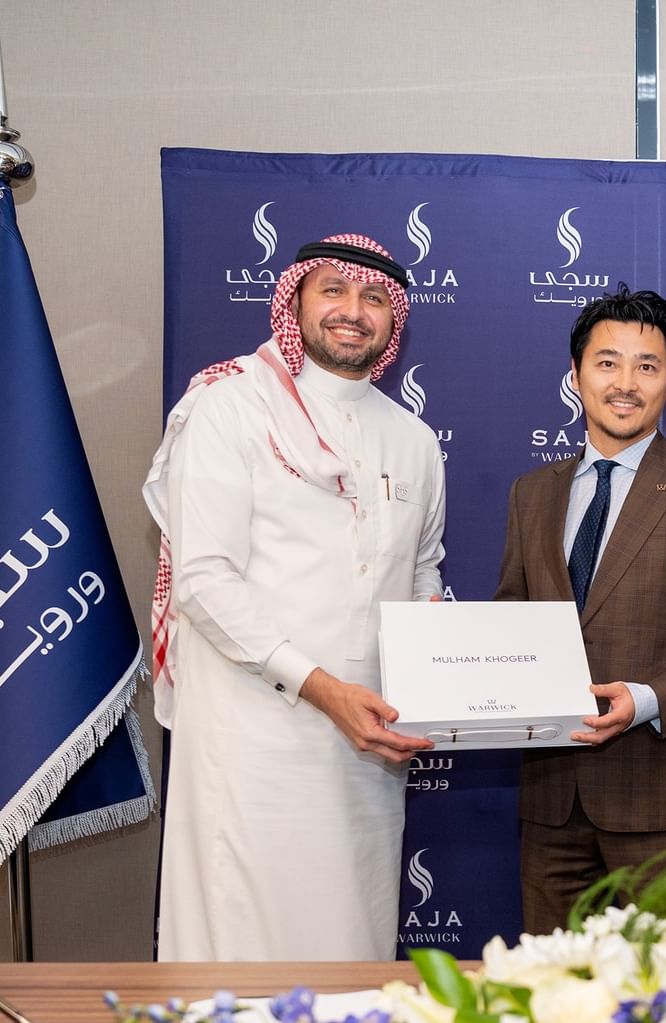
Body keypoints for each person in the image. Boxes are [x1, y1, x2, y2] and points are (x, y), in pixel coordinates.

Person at [144, 234, 446, 961]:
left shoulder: (414, 440)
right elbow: (205, 582)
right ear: (295, 302)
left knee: (351, 940)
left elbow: (422, 571)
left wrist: (442, 670)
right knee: (244, 948)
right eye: (332, 292)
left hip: (366, 742)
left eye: (374, 297)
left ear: (393, 319)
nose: (353, 311)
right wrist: (320, 688)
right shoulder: (229, 406)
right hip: (252, 734)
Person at [494, 285, 666, 932]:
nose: (625, 382)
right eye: (607, 362)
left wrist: (644, 698)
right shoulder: (531, 493)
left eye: (647, 366)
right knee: (551, 1002)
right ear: (576, 376)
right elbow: (512, 622)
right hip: (553, 799)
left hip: (665, 798)